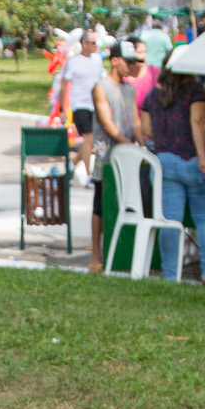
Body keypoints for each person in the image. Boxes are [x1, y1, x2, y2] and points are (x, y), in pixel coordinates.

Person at [140, 65, 205, 284]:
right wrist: (202, 157)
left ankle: (170, 276)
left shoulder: (153, 95)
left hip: (165, 164)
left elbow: (145, 128)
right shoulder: (196, 90)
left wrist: (165, 139)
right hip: (194, 162)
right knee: (204, 218)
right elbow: (197, 122)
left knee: (170, 221)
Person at [86, 39, 144, 273]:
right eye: (127, 62)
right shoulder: (101, 87)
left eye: (133, 62)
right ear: (115, 61)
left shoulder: (130, 89)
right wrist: (130, 145)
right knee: (100, 204)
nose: (131, 66)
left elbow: (136, 121)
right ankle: (96, 254)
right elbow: (107, 123)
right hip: (107, 157)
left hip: (128, 156)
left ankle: (122, 251)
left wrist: (142, 146)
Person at [60, 30, 106, 182]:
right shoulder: (73, 61)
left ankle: (71, 166)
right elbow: (64, 84)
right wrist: (61, 109)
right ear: (84, 44)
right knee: (89, 139)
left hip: (95, 104)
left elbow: (100, 81)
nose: (95, 46)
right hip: (79, 104)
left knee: (89, 142)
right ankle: (88, 176)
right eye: (92, 43)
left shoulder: (97, 59)